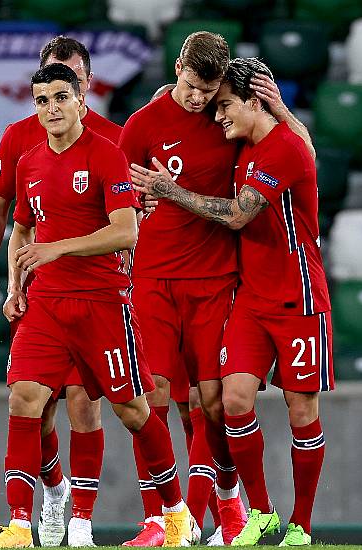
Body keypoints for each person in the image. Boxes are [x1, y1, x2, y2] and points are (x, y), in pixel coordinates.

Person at [0, 63, 194, 549]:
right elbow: (24, 231)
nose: (50, 108)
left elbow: (126, 230)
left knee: (133, 411)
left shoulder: (106, 156)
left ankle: (176, 513)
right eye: (41, 100)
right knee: (24, 398)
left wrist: (58, 249)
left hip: (102, 303)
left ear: (80, 101)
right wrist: (16, 286)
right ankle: (17, 525)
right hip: (47, 303)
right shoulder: (28, 162)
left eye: (59, 97)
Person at [131, 57, 331, 548]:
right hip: (250, 298)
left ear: (253, 101)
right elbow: (173, 106)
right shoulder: (243, 144)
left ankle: (300, 524)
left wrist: (170, 192)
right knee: (232, 400)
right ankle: (259, 511)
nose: (216, 116)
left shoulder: (282, 149)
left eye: (224, 106)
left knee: (301, 411)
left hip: (298, 297)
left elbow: (240, 215)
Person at [0, 36, 123, 547]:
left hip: (97, 292)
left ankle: (81, 517)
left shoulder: (112, 141)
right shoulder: (20, 138)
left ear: (86, 86)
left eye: (69, 85)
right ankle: (52, 489)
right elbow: (3, 211)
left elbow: (132, 222)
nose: (55, 103)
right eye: (47, 88)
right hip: (41, 289)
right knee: (32, 404)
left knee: (85, 400)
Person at [117, 30, 243, 546]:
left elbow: (290, 150)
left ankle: (229, 503)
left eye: (207, 91)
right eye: (191, 86)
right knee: (155, 397)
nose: (197, 99)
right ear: (177, 68)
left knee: (212, 403)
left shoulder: (230, 118)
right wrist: (130, 206)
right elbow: (115, 185)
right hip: (152, 278)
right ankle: (161, 519)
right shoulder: (144, 123)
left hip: (214, 278)